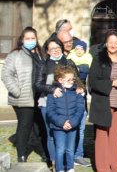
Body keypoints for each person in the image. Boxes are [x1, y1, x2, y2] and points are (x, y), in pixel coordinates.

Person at [89, 30, 117, 172]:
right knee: (102, 136)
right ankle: (103, 167)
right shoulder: (99, 58)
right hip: (103, 102)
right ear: (106, 43)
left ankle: (116, 166)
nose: (113, 45)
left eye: (116, 42)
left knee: (114, 135)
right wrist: (112, 83)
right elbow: (93, 82)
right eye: (110, 42)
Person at [1, 27, 46, 163]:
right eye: (28, 38)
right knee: (25, 125)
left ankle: (44, 153)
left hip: (39, 96)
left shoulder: (40, 54)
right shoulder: (15, 55)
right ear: (22, 40)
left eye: (33, 38)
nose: (31, 41)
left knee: (40, 126)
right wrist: (17, 91)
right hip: (23, 97)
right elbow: (6, 74)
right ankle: (21, 154)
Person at [34, 38, 78, 166]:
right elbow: (37, 84)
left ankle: (67, 161)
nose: (55, 50)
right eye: (52, 48)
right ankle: (54, 161)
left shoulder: (69, 62)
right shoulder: (44, 65)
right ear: (47, 51)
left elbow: (77, 81)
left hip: (68, 103)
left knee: (68, 131)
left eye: (57, 47)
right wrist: (53, 89)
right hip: (48, 103)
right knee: (51, 133)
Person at [46, 65, 86, 172]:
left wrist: (72, 123)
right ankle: (59, 169)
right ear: (60, 80)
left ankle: (70, 168)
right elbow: (50, 111)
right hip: (58, 127)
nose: (72, 82)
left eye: (73, 79)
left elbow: (80, 109)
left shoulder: (76, 92)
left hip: (72, 127)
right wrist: (62, 122)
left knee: (70, 149)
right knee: (60, 149)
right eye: (68, 80)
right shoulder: (53, 94)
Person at [66, 39, 92, 167]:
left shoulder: (89, 58)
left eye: (81, 49)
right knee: (69, 128)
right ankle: (67, 155)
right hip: (68, 98)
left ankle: (78, 155)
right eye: (77, 49)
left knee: (81, 128)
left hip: (82, 96)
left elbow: (90, 77)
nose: (79, 51)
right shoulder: (68, 58)